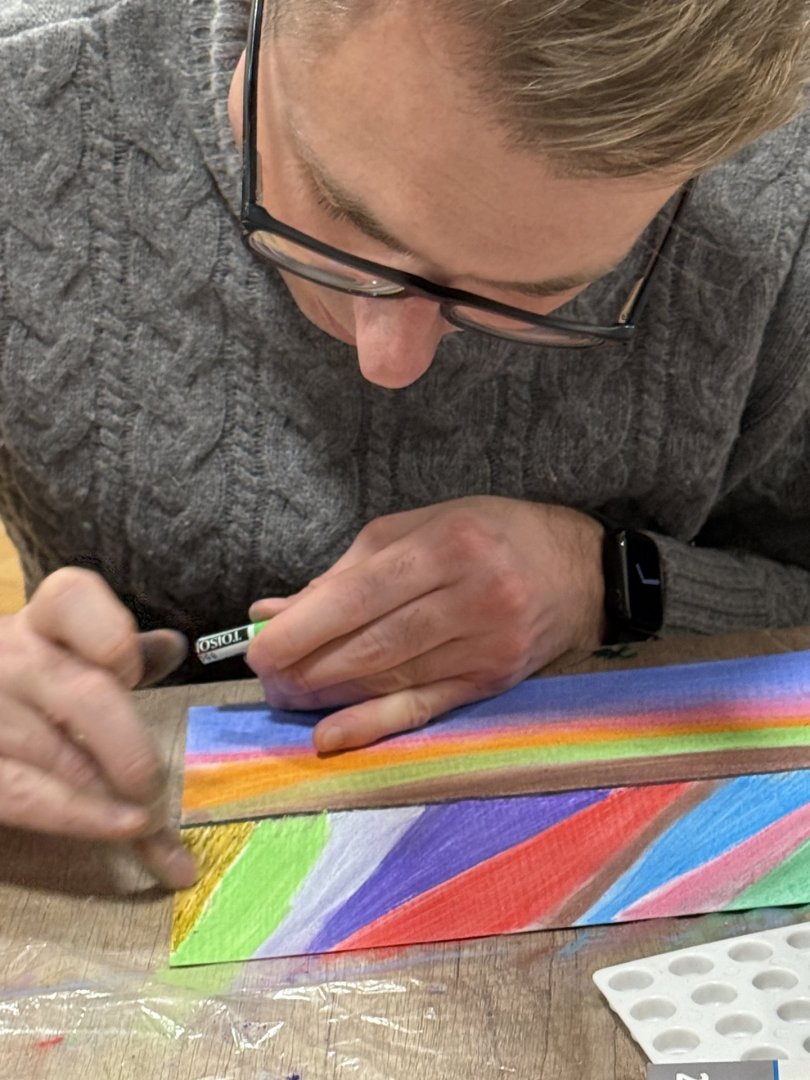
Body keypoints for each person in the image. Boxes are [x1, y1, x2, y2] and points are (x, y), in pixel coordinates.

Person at [0, 0, 808, 888]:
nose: (389, 362)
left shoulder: (784, 196)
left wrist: (610, 584)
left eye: (530, 296)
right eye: (336, 212)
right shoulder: (29, 96)